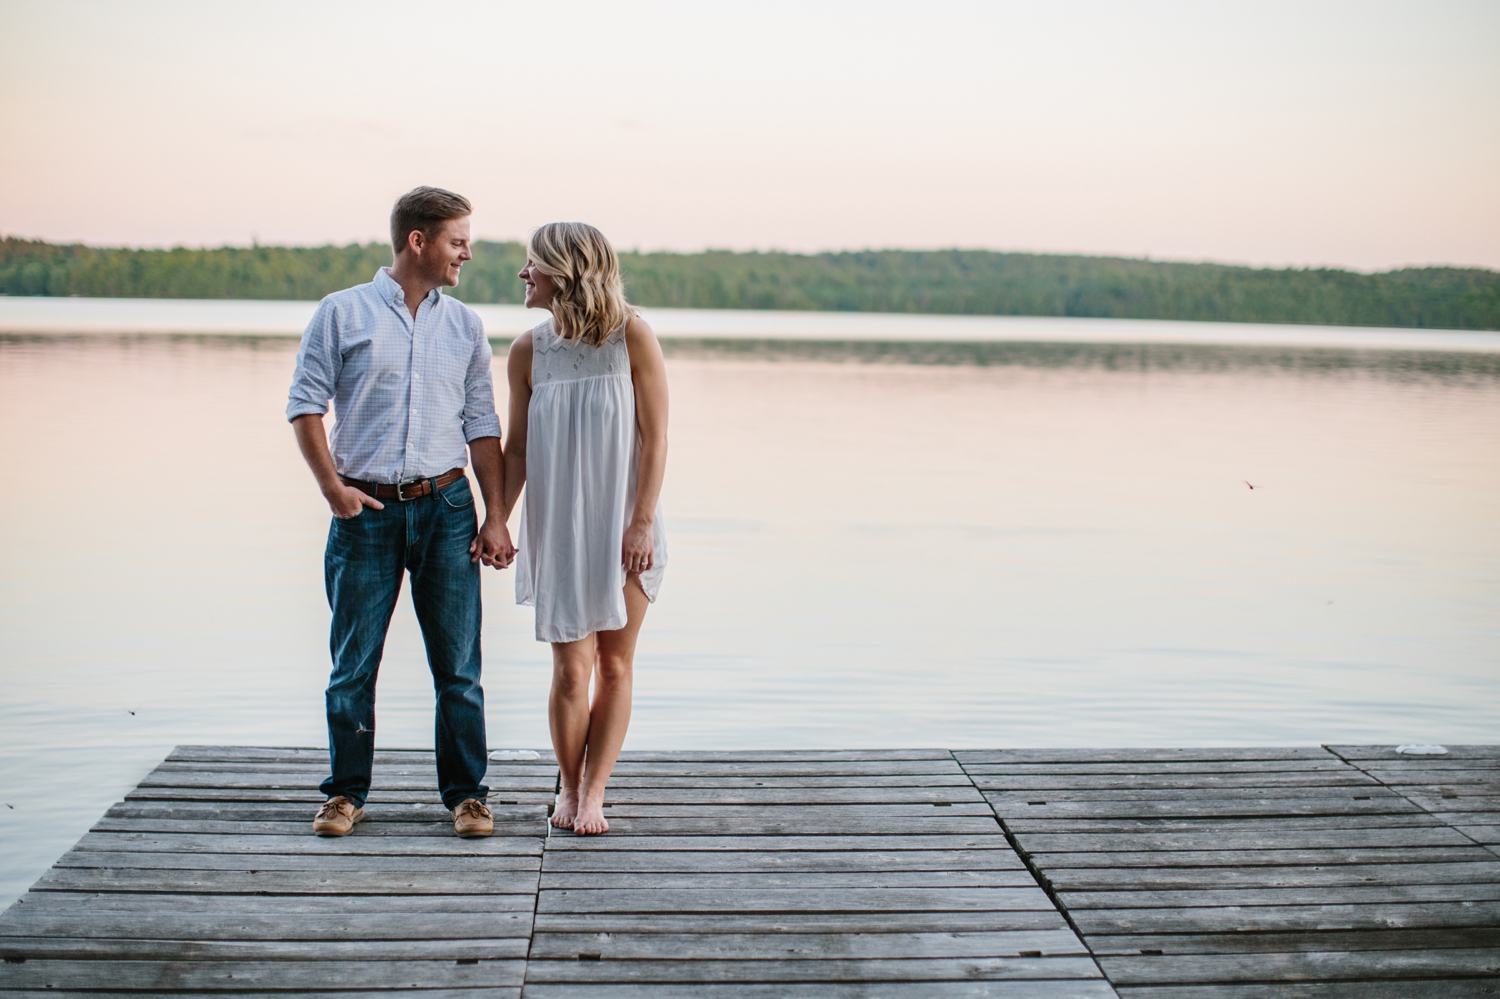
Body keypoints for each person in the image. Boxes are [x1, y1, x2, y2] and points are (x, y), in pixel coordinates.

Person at [286, 186, 515, 839]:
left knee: (458, 666)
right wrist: (333, 489)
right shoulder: (342, 313)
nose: (466, 252)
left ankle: (467, 796)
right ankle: (344, 794)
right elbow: (304, 406)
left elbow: (481, 424)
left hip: (446, 506)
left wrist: (496, 515)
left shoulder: (465, 325)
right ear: (419, 241)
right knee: (353, 664)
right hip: (365, 509)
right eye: (457, 240)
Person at [502, 222, 669, 835]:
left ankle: (595, 791)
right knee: (572, 670)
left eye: (532, 265)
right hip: (563, 531)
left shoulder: (634, 339)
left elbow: (656, 439)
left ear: (566, 272)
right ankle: (569, 789)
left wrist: (643, 523)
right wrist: (498, 517)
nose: (523, 275)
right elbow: (516, 450)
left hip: (627, 527)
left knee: (615, 666)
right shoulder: (528, 351)